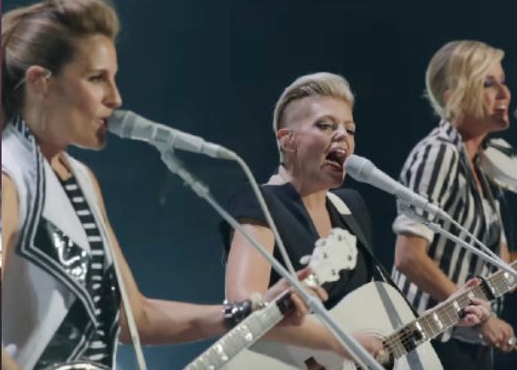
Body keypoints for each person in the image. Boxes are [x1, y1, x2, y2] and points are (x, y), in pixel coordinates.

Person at [1, 0, 317, 370]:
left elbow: (137, 316)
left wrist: (250, 311)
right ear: (41, 82)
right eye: (97, 78)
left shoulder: (82, 179)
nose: (115, 98)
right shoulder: (8, 175)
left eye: (114, 79)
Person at [221, 72, 490, 361]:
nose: (342, 136)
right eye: (325, 125)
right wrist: (341, 342)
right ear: (287, 140)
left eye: (349, 129)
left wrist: (447, 313)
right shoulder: (260, 202)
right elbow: (244, 315)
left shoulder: (351, 207)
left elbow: (370, 329)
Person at [392, 40, 515, 370]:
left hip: (467, 347)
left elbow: (502, 265)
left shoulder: (487, 165)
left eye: (503, 81)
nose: (504, 93)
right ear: (453, 96)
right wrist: (479, 319)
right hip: (428, 343)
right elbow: (408, 257)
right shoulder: (438, 154)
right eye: (488, 83)